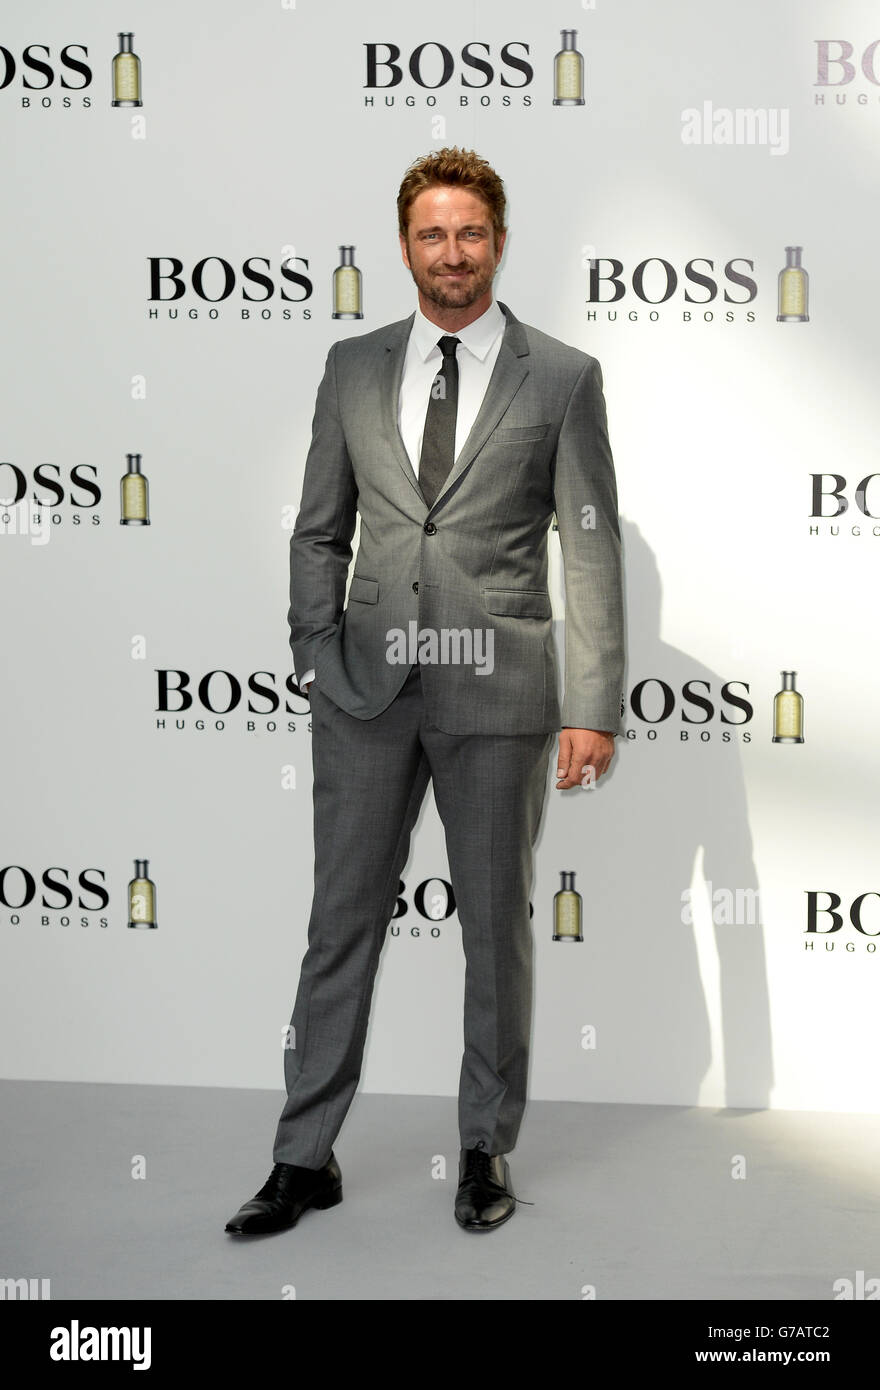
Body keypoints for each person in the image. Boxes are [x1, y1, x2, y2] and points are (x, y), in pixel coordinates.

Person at [225, 146, 624, 1236]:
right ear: (404, 246)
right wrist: (317, 653)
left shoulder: (562, 377)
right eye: (431, 234)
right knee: (338, 922)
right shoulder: (352, 366)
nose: (452, 252)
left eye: (471, 232)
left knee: (492, 930)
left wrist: (589, 702)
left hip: (498, 696)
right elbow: (319, 526)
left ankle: (485, 1146)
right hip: (366, 692)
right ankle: (303, 1156)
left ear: (498, 240)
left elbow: (587, 553)